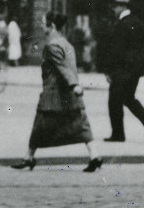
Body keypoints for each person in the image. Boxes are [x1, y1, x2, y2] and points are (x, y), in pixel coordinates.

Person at [11, 11, 102, 173]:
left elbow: (63, 68)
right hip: (69, 95)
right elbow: (70, 68)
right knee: (81, 125)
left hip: (54, 94)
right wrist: (74, 87)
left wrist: (74, 85)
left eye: (43, 22)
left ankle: (29, 157)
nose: (41, 25)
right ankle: (94, 155)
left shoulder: (52, 45)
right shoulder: (67, 44)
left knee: (40, 124)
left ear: (51, 25)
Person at [96, 0, 144, 143]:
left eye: (116, 6)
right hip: (135, 68)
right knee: (128, 98)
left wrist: (109, 70)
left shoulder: (123, 24)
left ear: (123, 6)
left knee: (114, 101)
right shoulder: (137, 22)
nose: (114, 8)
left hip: (123, 68)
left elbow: (117, 50)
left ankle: (118, 134)